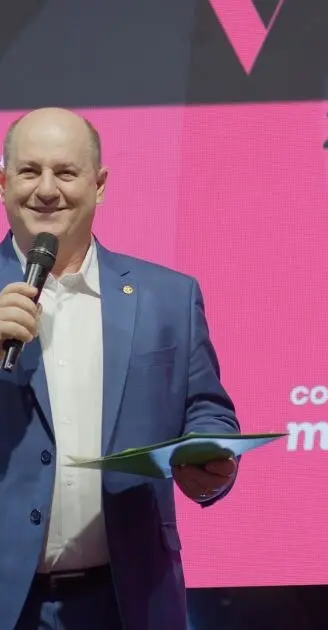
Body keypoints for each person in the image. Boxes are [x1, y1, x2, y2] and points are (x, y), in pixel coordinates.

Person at [0, 107, 241, 630]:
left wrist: (210, 465)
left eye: (66, 172)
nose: (46, 190)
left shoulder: (168, 297)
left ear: (100, 185)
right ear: (3, 184)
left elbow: (207, 412)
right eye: (29, 171)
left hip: (130, 600)